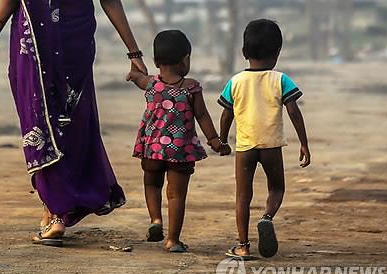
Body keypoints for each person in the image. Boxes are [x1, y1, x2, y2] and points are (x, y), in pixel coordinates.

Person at [0, 0, 148, 246]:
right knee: (72, 120)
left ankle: (55, 213)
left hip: (36, 37)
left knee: (39, 119)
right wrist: (133, 52)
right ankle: (55, 207)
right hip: (75, 35)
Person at [218, 19, 311, 259]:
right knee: (277, 187)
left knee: (242, 195)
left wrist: (222, 139)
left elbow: (226, 113)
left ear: (244, 51)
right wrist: (304, 143)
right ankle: (266, 217)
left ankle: (242, 245)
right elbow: (293, 111)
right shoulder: (281, 80)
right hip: (271, 145)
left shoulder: (235, 81)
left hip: (245, 146)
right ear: (277, 52)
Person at [127, 30, 224, 253]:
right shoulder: (190, 87)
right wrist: (214, 140)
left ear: (155, 61)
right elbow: (202, 116)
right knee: (176, 195)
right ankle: (173, 240)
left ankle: (155, 221)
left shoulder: (152, 84)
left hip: (152, 148)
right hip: (180, 150)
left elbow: (138, 78)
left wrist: (133, 75)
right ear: (185, 60)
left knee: (152, 184)